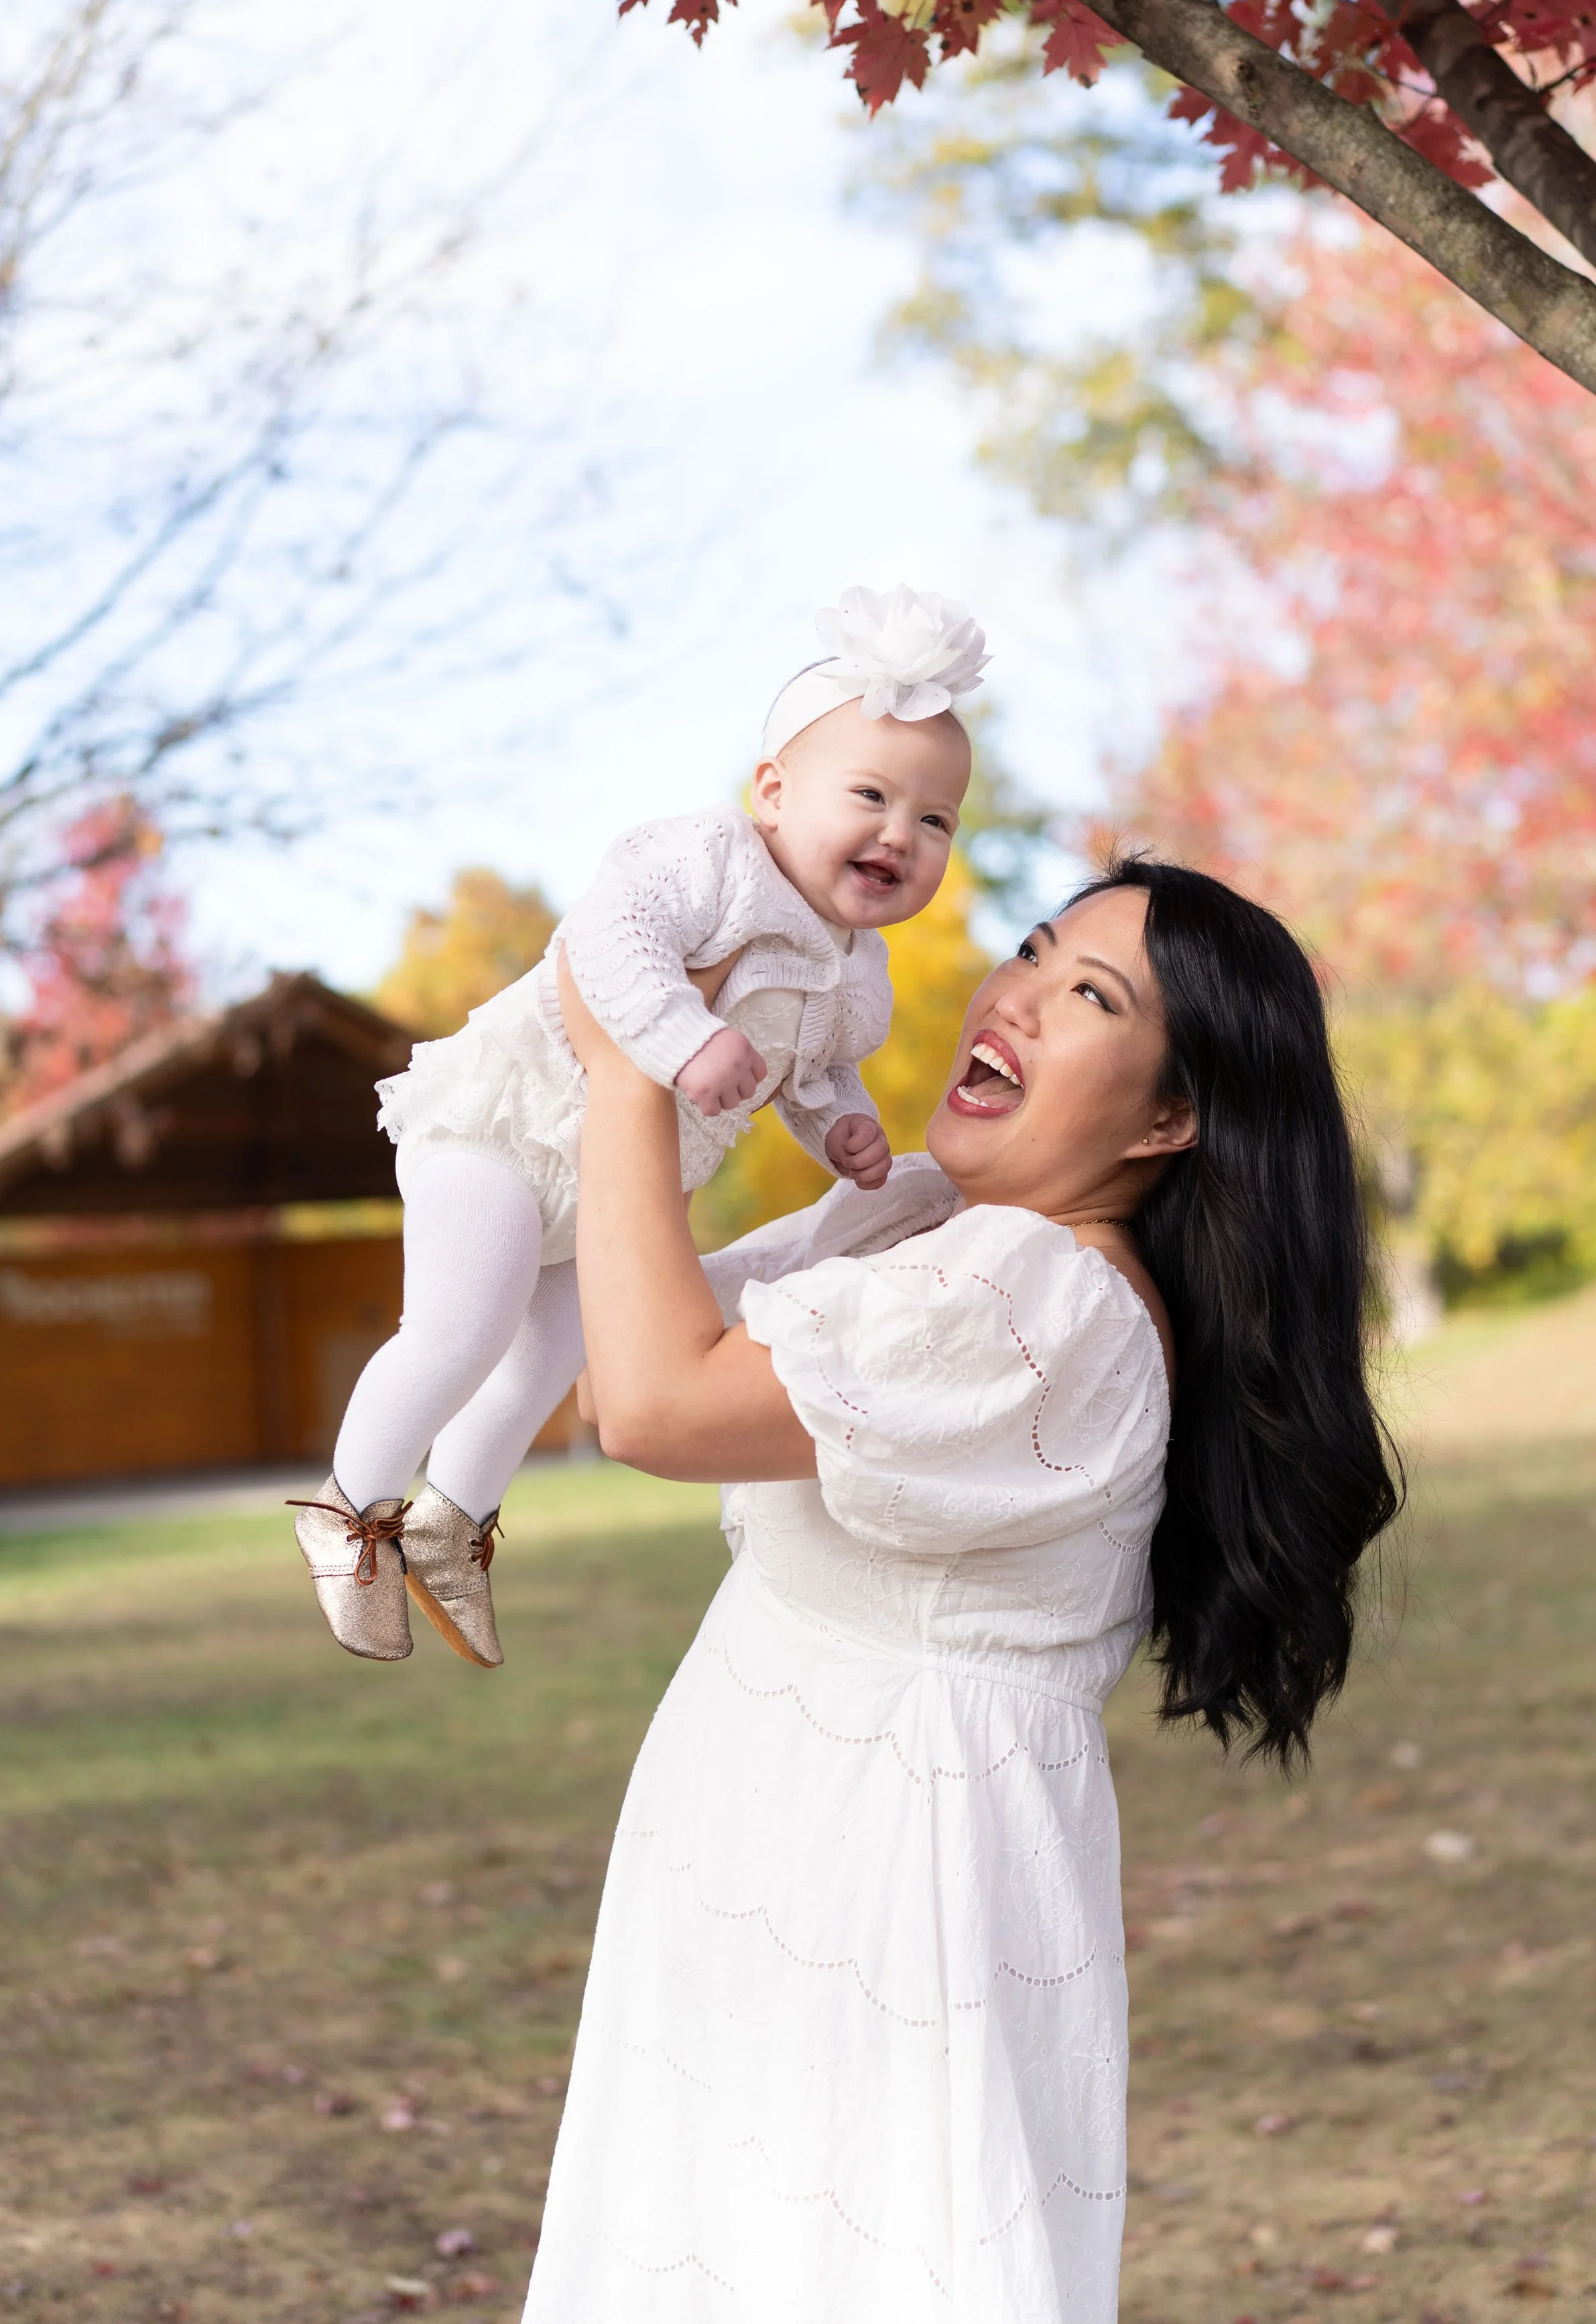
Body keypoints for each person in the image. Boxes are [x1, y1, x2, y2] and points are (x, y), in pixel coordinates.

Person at [519, 856, 1402, 2324]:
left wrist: (634, 1074)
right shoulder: (934, 1229)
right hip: (769, 1835)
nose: (1019, 997)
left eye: (1091, 996)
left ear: (1172, 1117)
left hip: (879, 1884)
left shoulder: (1038, 1300)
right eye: (1035, 953)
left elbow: (656, 1408)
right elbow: (630, 1321)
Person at [290, 584, 985, 1669]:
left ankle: (449, 1523)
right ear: (772, 789)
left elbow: (817, 1071)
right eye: (872, 795)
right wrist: (678, 1037)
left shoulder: (858, 974)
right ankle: (347, 1507)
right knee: (463, 1328)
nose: (902, 834)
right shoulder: (709, 858)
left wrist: (843, 1126)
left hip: (614, 1184)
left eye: (935, 819)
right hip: (507, 1123)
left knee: (554, 1355)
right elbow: (606, 938)